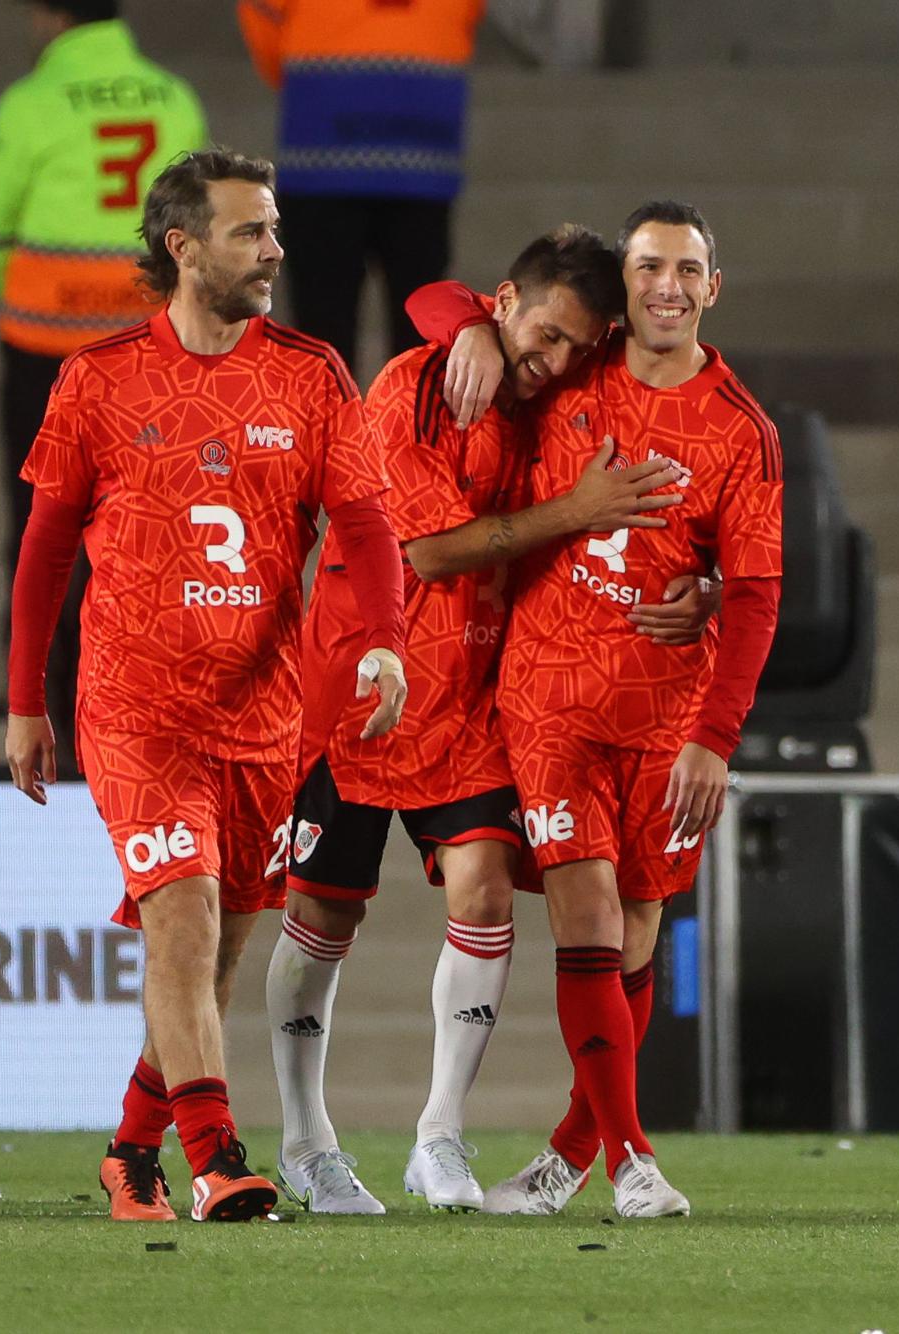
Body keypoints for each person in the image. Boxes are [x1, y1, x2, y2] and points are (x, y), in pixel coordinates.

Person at [273, 224, 718, 1214]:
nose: (552, 362)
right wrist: (468, 333)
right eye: (541, 335)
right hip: (355, 686)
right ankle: (305, 1138)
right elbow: (428, 554)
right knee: (320, 918)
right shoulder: (410, 388)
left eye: (573, 346)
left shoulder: (558, 385)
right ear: (504, 301)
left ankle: (439, 1137)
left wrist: (708, 584)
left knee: (478, 889)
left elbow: (674, 449)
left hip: (473, 698)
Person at [6, 147, 408, 1223]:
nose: (275, 249)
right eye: (249, 232)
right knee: (179, 922)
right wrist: (23, 701)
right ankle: (218, 1158)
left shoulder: (310, 372)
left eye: (274, 229)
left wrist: (379, 639)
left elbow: (366, 529)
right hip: (136, 706)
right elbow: (44, 552)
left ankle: (130, 1152)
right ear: (181, 247)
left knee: (219, 949)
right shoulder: (96, 377)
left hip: (263, 712)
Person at [408, 200, 782, 1218]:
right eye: (648, 266)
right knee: (590, 910)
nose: (666, 285)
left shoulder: (740, 429)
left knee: (638, 929)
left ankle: (569, 1153)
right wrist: (472, 329)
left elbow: (752, 594)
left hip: (666, 713)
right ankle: (633, 1158)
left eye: (685, 268)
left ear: (713, 287)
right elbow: (439, 299)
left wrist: (712, 736)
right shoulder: (581, 365)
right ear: (624, 288)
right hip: (549, 694)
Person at [0, 0, 205, 766]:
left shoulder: (32, 102)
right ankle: (133, 693)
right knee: (146, 524)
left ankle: (39, 692)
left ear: (46, 17)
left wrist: (33, 295)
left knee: (44, 522)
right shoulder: (173, 98)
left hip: (46, 348)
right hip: (148, 351)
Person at [236, 0, 484, 371]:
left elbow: (261, 13)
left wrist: (304, 74)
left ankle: (336, 427)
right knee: (419, 344)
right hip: (422, 156)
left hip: (323, 153)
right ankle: (407, 427)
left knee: (324, 341)